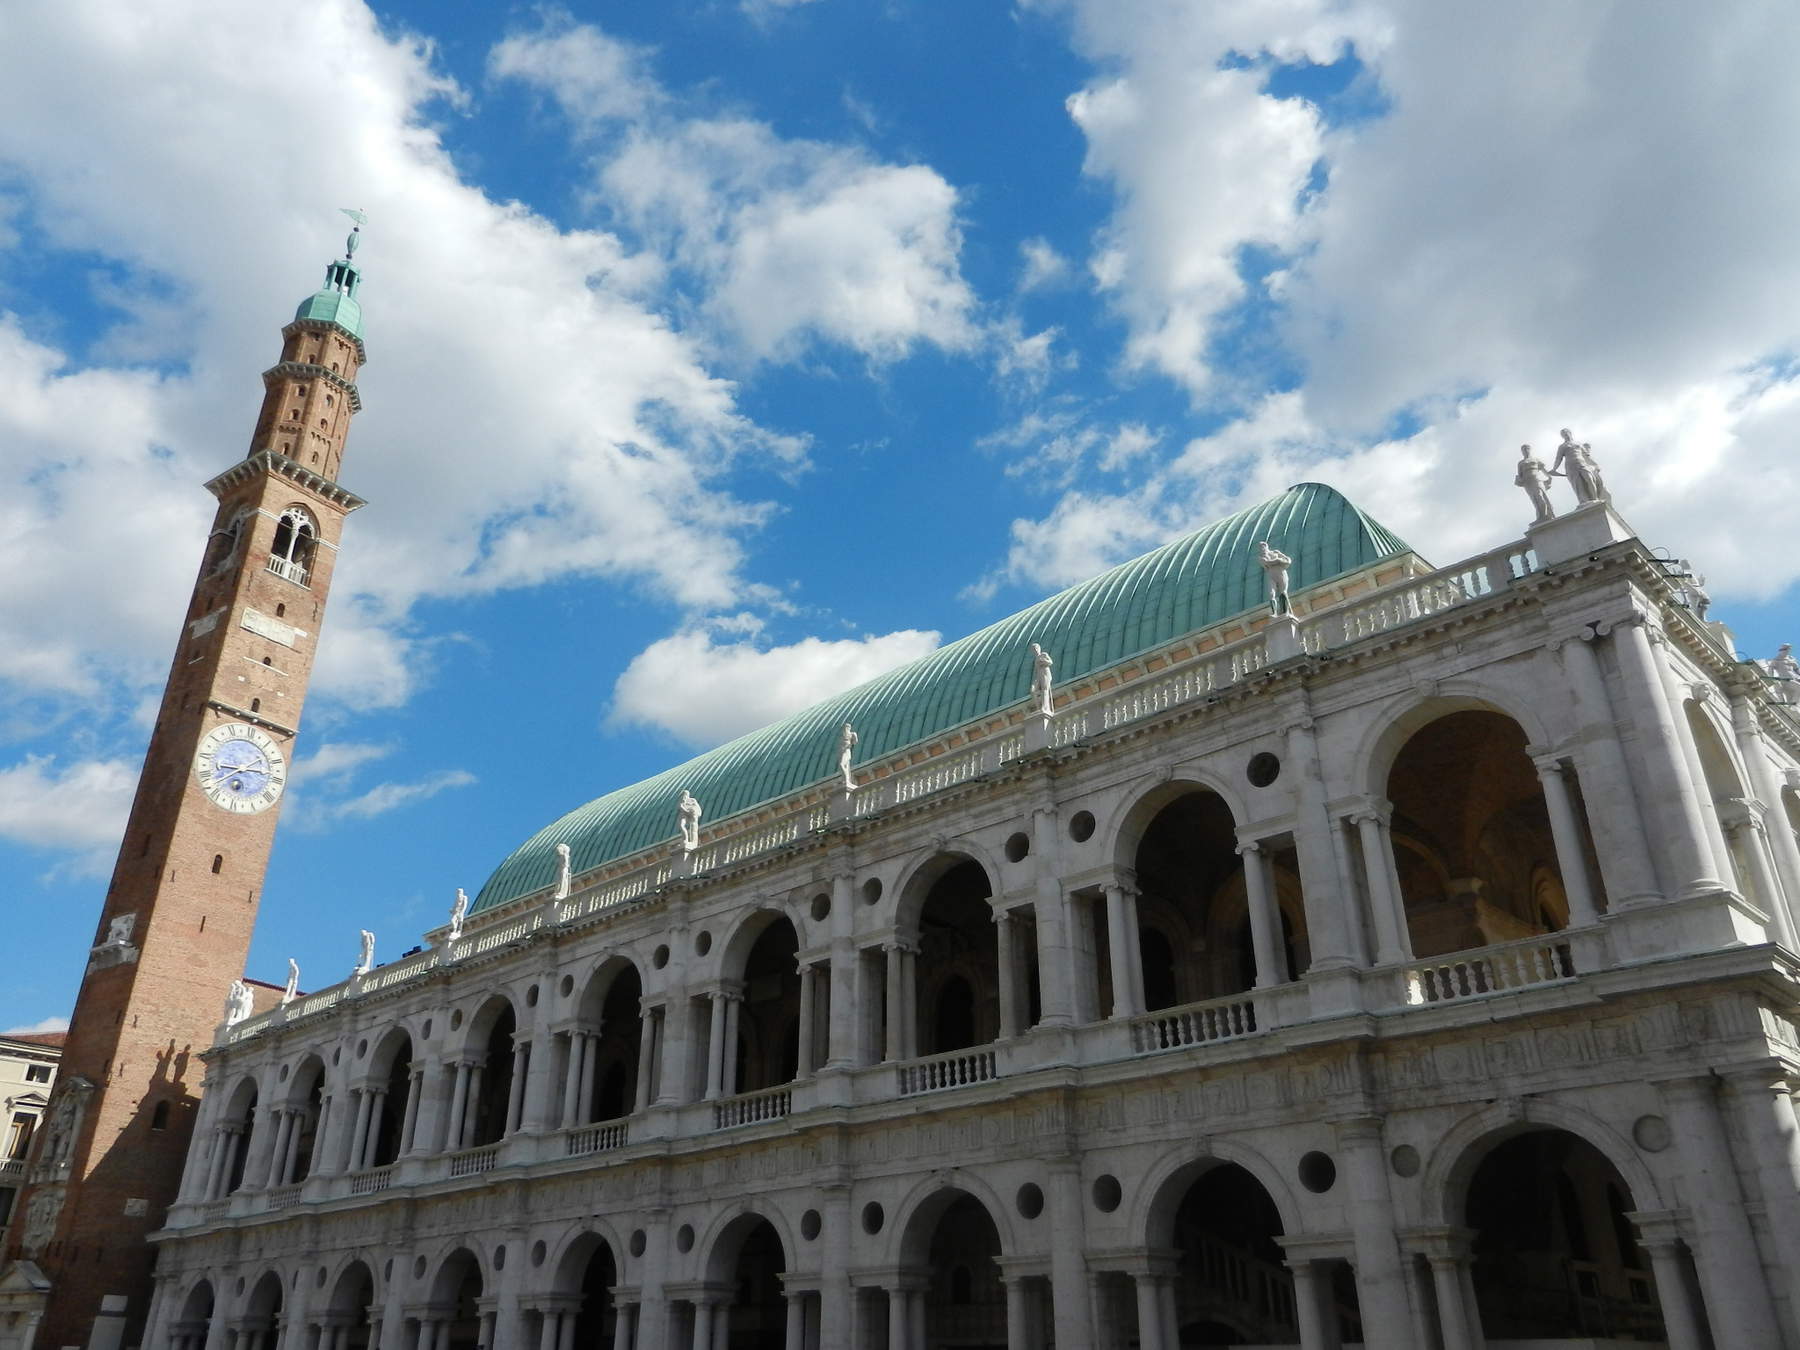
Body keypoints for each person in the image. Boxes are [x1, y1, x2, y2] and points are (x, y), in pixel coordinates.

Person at [1514, 445, 1555, 523]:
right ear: (1522, 452)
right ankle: (1540, 516)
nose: (1525, 451)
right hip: (1527, 482)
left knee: (1540, 496)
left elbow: (1543, 469)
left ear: (1530, 450)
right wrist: (1519, 480)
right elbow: (1520, 475)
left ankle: (1548, 515)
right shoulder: (1521, 463)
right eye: (1523, 450)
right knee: (1534, 499)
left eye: (1527, 449)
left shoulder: (1535, 460)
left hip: (1536, 480)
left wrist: (1549, 477)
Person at [1257, 540, 1293, 615]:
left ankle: (1285, 612)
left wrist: (1279, 560)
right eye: (1260, 548)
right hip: (1271, 576)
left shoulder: (1275, 552)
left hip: (1281, 573)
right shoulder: (1260, 558)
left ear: (1266, 547)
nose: (1262, 549)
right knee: (1271, 594)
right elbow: (1268, 563)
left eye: (1262, 547)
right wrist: (1278, 560)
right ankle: (1274, 613)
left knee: (1283, 592)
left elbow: (1288, 560)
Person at [1029, 643, 1055, 716]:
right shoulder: (1035, 660)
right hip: (1039, 676)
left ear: (1039, 649)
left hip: (1046, 674)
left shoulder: (1044, 654)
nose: (1035, 650)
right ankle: (1038, 707)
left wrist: (1043, 661)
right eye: (1034, 649)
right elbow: (1037, 670)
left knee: (1045, 690)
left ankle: (1045, 707)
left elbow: (1050, 662)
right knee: (1033, 690)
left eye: (1036, 648)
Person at [837, 722, 860, 790]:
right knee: (846, 766)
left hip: (847, 751)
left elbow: (855, 742)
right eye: (844, 727)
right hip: (841, 752)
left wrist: (850, 744)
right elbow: (840, 745)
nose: (845, 729)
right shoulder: (842, 736)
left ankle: (846, 778)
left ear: (849, 728)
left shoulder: (852, 734)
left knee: (841, 764)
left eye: (847, 727)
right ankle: (845, 779)